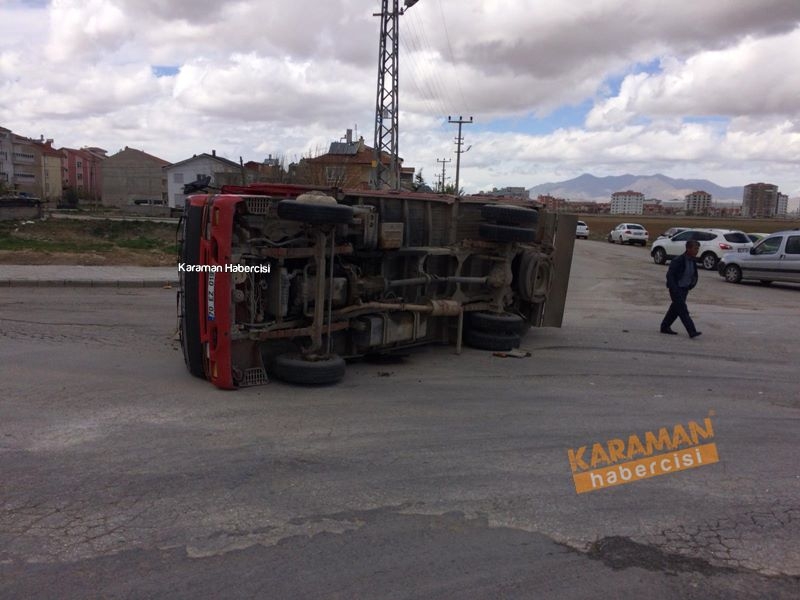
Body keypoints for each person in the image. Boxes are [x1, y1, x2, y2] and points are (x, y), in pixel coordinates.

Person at [660, 240, 702, 338]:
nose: (697, 251)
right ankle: (692, 331)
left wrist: (691, 285)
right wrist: (674, 288)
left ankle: (664, 326)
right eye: (695, 248)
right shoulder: (678, 260)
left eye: (698, 249)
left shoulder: (692, 261)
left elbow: (693, 275)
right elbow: (670, 275)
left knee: (675, 309)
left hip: (685, 289)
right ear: (688, 248)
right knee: (683, 310)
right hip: (676, 289)